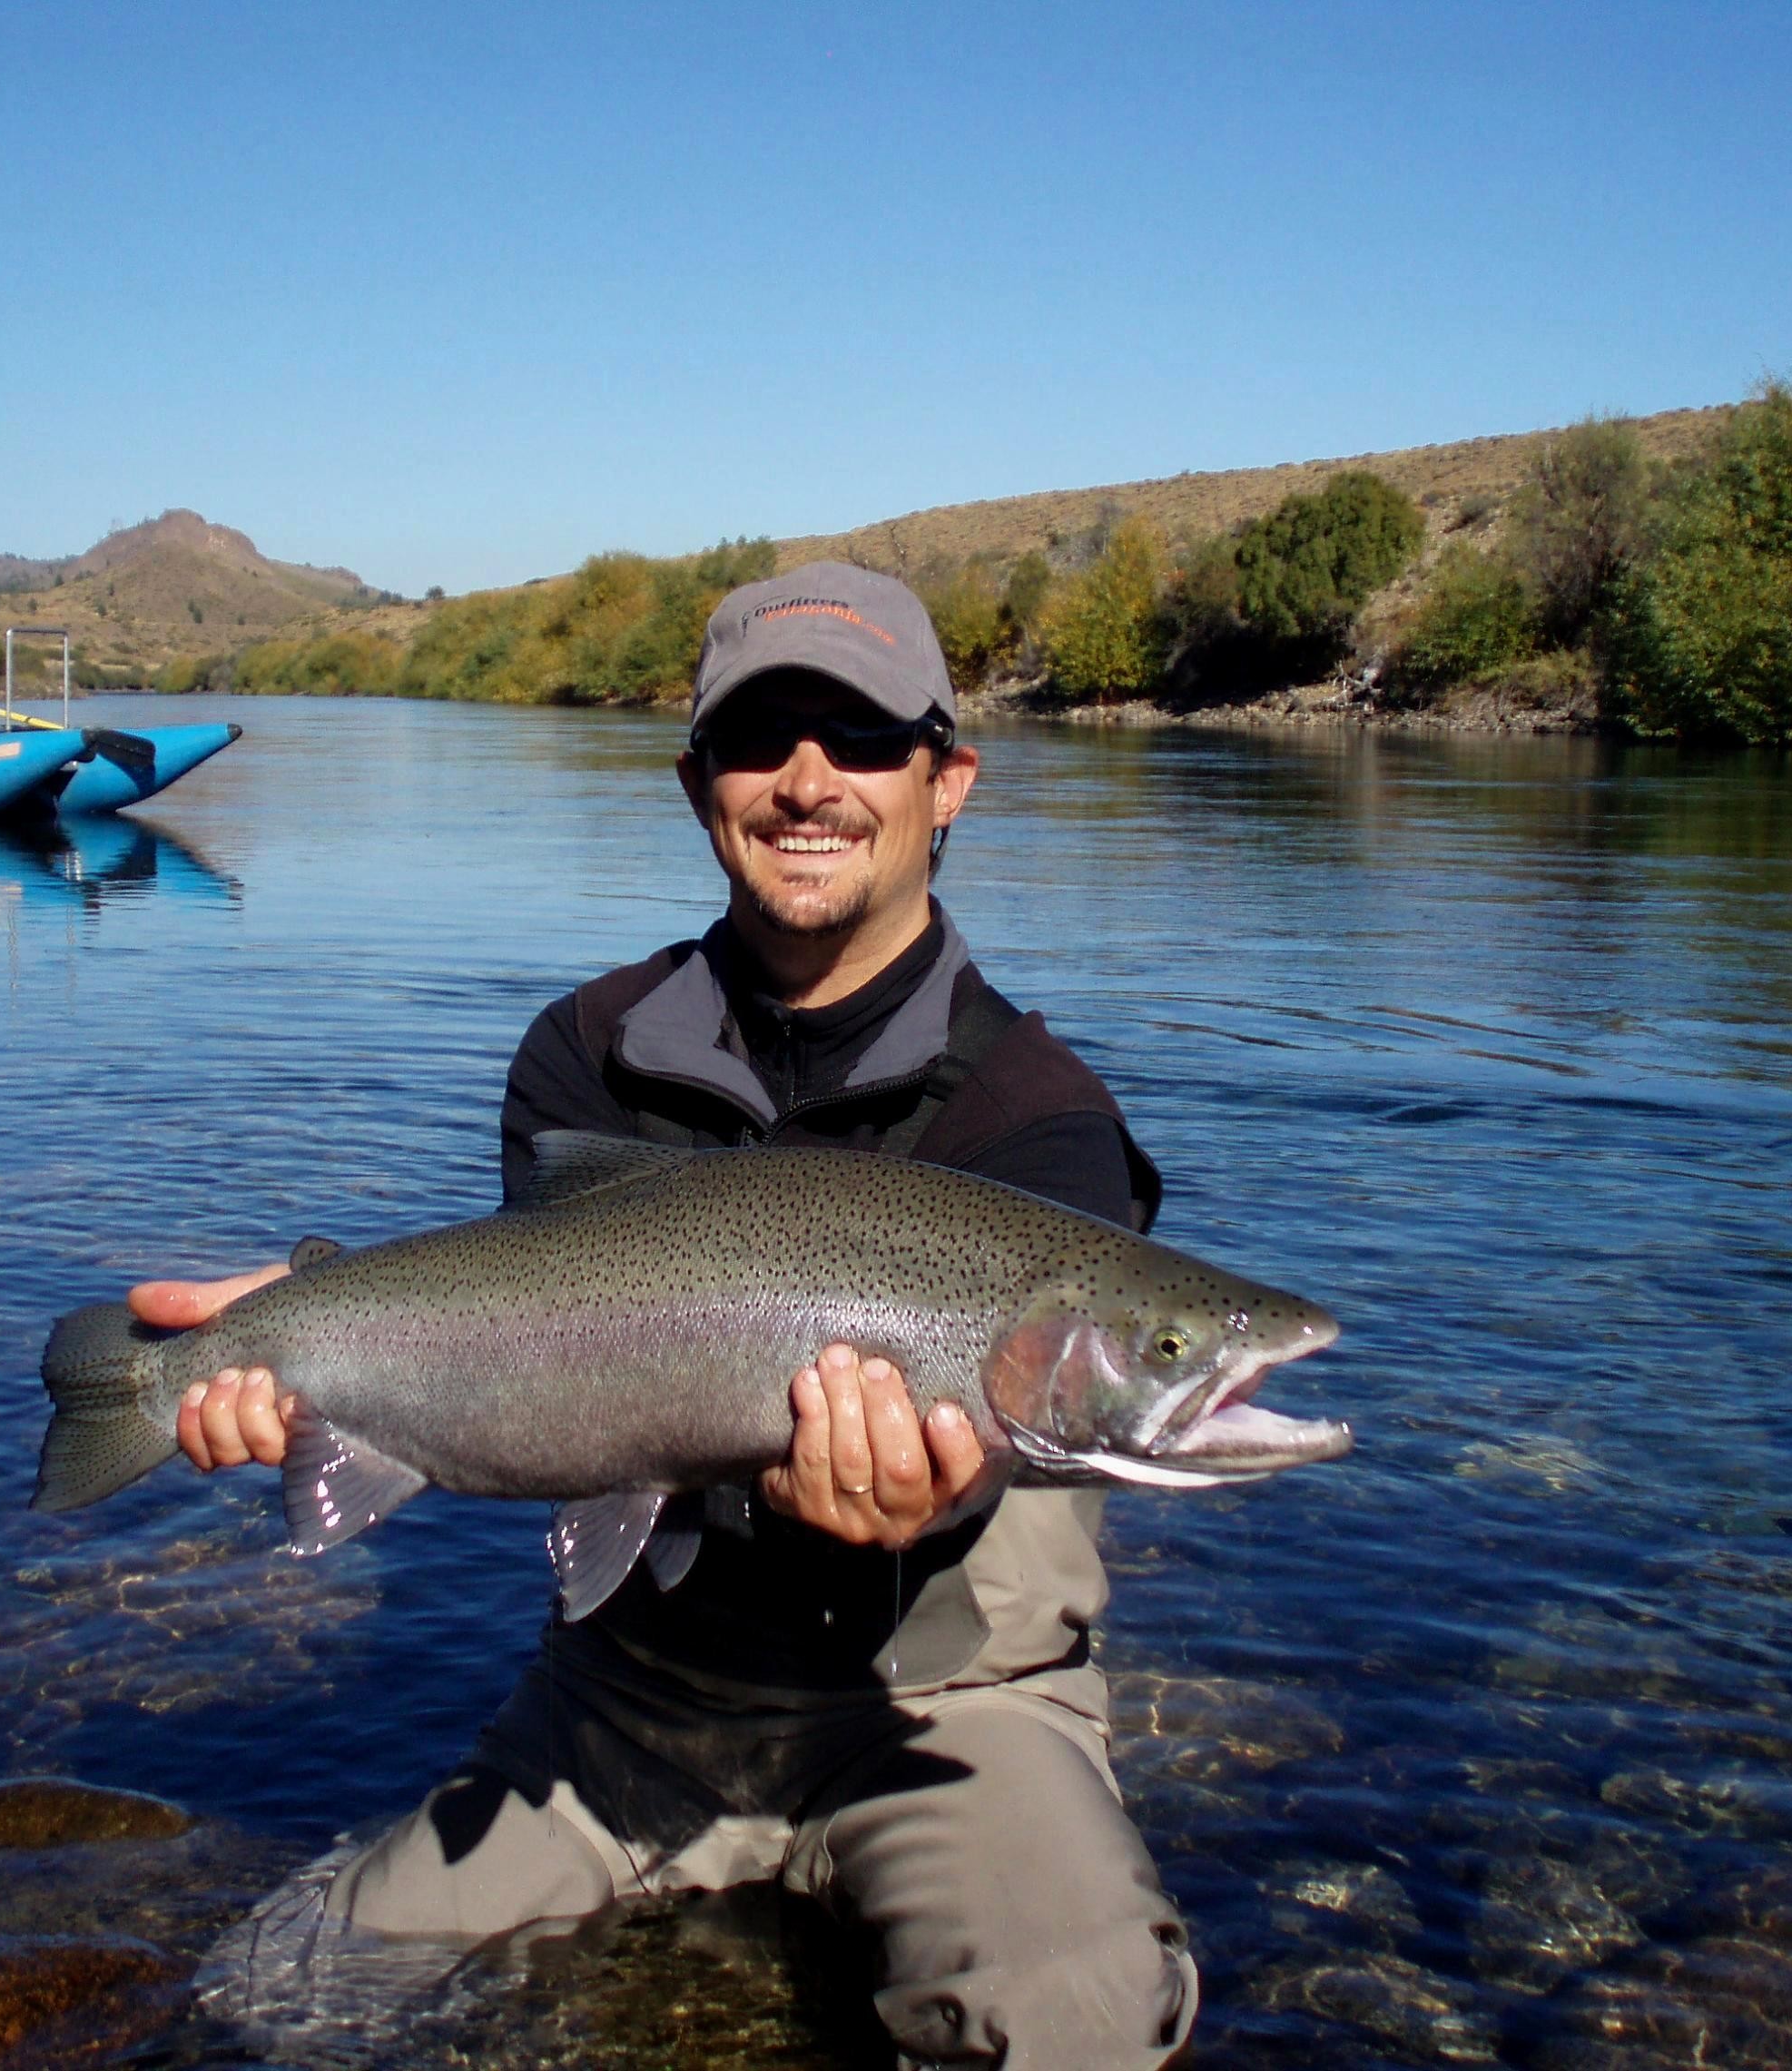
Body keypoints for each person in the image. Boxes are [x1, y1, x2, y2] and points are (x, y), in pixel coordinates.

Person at [148, 562, 1197, 2067]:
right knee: (275, 2006)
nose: (808, 782)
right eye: (762, 739)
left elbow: (1057, 1416)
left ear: (946, 780)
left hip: (947, 1711)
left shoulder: (1041, 1118)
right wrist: (317, 1343)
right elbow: (526, 1353)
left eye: (861, 737)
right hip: (632, 1703)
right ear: (697, 779)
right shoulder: (584, 1053)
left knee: (1081, 2018)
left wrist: (933, 1490)